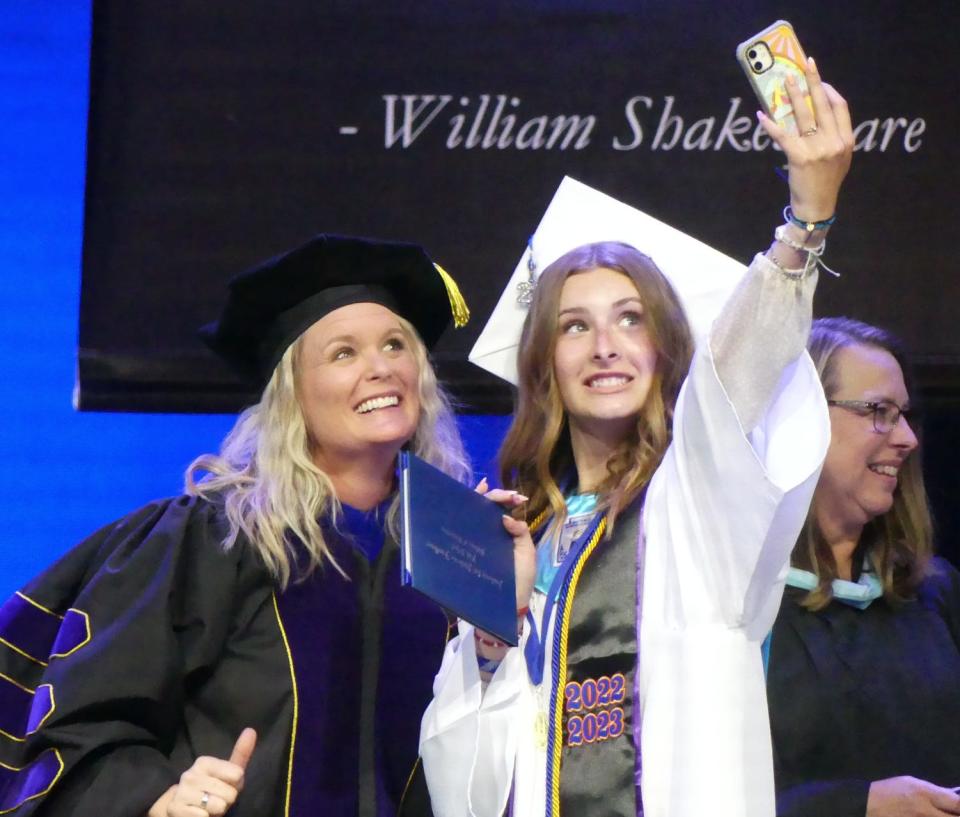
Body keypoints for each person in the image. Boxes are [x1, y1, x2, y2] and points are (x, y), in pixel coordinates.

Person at [420, 60, 853, 817]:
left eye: (631, 318)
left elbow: (736, 379)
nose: (606, 347)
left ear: (666, 350)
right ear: (546, 365)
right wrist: (491, 629)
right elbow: (466, 780)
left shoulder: (697, 502)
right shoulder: (528, 533)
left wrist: (804, 221)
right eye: (574, 325)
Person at [0, 235, 472, 817]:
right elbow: (86, 724)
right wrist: (160, 798)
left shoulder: (452, 552)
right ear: (291, 395)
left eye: (396, 345)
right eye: (343, 353)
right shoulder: (212, 538)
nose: (380, 368)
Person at [766, 317, 960, 817]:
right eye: (879, 411)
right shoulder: (739, 606)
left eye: (905, 415)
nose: (908, 439)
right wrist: (859, 806)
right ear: (799, 416)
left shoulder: (933, 591)